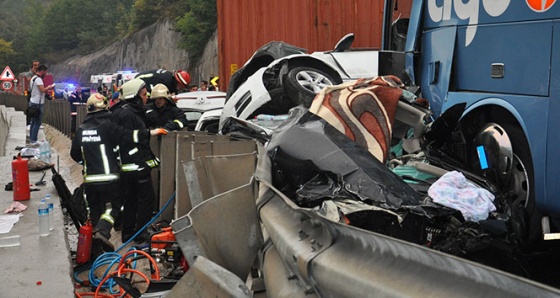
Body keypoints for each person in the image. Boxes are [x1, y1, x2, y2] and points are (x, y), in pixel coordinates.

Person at [71, 93, 166, 254]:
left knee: (95, 211)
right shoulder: (106, 126)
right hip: (109, 179)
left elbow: (75, 154)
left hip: (90, 180)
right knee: (112, 209)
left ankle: (94, 249)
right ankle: (102, 233)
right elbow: (128, 135)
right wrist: (152, 132)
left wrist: (87, 163)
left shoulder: (81, 130)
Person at [111, 78, 161, 243]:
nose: (147, 98)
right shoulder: (128, 115)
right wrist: (149, 134)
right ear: (136, 96)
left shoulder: (126, 111)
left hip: (130, 166)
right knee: (146, 199)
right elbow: (128, 138)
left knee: (131, 200)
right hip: (135, 165)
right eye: (145, 94)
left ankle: (128, 233)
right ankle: (140, 233)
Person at [28, 65, 54, 146]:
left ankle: (32, 139)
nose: (46, 74)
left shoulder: (33, 78)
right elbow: (42, 90)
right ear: (42, 71)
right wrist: (49, 87)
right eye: (45, 72)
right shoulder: (38, 80)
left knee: (33, 122)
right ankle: (33, 140)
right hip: (37, 104)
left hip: (32, 101)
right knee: (37, 122)